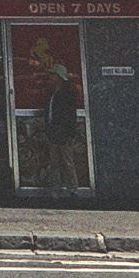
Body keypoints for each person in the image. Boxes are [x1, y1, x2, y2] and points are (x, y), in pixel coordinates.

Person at [42, 63, 80, 197]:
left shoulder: (67, 92)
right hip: (53, 131)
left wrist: (70, 132)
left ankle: (73, 189)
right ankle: (55, 189)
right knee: (54, 163)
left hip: (63, 132)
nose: (50, 78)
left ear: (58, 76)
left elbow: (70, 114)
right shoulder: (52, 92)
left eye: (52, 75)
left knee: (67, 161)